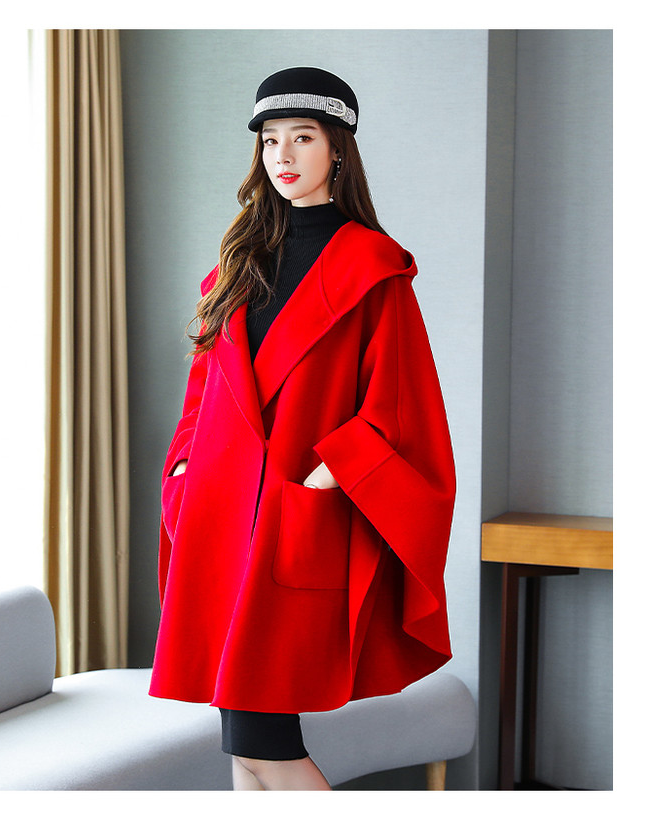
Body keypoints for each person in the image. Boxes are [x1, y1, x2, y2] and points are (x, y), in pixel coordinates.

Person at [149, 67, 456, 791]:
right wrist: (186, 465)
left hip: (295, 515)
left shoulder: (374, 269)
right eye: (270, 140)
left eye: (303, 137)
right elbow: (204, 389)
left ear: (338, 149)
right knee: (246, 747)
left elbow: (400, 403)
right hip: (220, 517)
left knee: (265, 745)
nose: (282, 154)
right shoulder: (237, 264)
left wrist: (328, 473)